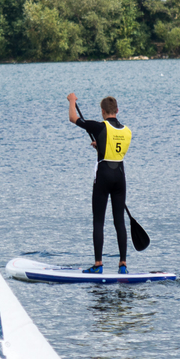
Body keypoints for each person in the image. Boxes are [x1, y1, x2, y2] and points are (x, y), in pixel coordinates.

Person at [67, 93, 131, 274]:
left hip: (103, 176)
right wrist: (100, 145)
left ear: (103, 112)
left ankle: (98, 264)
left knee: (98, 221)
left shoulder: (98, 126)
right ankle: (123, 265)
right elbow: (114, 149)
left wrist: (72, 101)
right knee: (119, 221)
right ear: (117, 111)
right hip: (120, 176)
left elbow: (73, 118)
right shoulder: (127, 131)